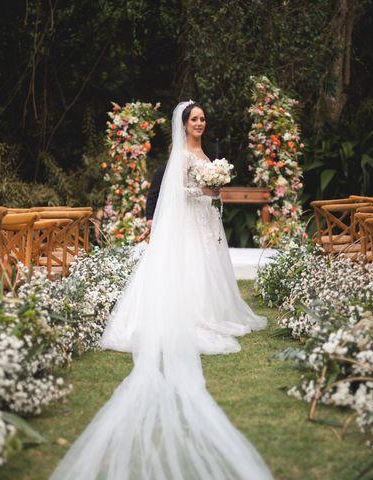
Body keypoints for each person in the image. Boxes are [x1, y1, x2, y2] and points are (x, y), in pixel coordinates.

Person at [50, 101, 272, 480]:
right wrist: (203, 188)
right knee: (190, 270)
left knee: (210, 271)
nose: (199, 123)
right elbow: (175, 193)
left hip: (206, 223)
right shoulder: (180, 155)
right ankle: (190, 314)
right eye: (194, 119)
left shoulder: (209, 153)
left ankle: (212, 311)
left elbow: (211, 196)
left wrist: (215, 189)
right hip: (186, 226)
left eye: (203, 119)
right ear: (184, 124)